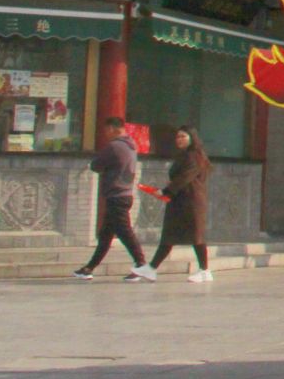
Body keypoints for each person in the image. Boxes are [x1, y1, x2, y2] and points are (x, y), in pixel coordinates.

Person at [74, 116, 147, 280]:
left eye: (106, 130)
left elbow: (96, 165)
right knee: (105, 235)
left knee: (125, 232)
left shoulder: (114, 146)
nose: (105, 134)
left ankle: (141, 264)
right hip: (125, 193)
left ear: (112, 129)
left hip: (116, 195)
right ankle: (89, 268)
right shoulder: (131, 145)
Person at [134, 127, 211, 282]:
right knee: (169, 235)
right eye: (177, 137)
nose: (179, 139)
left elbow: (185, 178)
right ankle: (151, 268)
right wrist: (168, 191)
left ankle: (204, 270)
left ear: (192, 138)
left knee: (196, 236)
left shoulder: (194, 156)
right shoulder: (184, 155)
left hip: (191, 202)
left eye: (183, 136)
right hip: (179, 200)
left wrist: (166, 191)